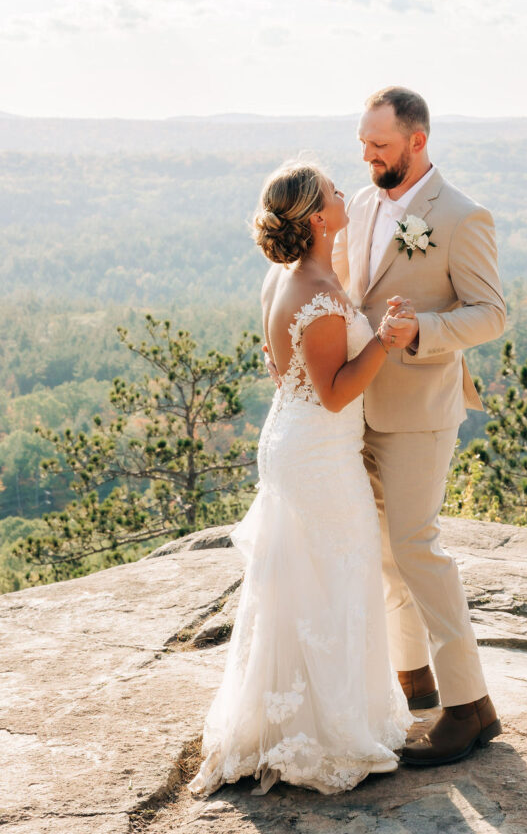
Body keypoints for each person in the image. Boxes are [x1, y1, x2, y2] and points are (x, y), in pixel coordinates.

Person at [188, 162, 413, 798]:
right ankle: (326, 733)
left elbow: (280, 366)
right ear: (317, 217)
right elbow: (338, 393)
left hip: (299, 439)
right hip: (318, 452)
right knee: (337, 575)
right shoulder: (314, 293)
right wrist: (386, 342)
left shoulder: (292, 278)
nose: (347, 194)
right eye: (336, 191)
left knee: (306, 582)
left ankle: (305, 720)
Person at [332, 86, 506, 766]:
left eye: (378, 145)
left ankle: (470, 707)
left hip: (421, 409)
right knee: (382, 552)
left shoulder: (461, 217)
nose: (367, 156)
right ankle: (415, 683)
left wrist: (421, 331)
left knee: (416, 547)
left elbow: (491, 313)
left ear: (416, 142)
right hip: (359, 405)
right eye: (362, 145)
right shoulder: (365, 202)